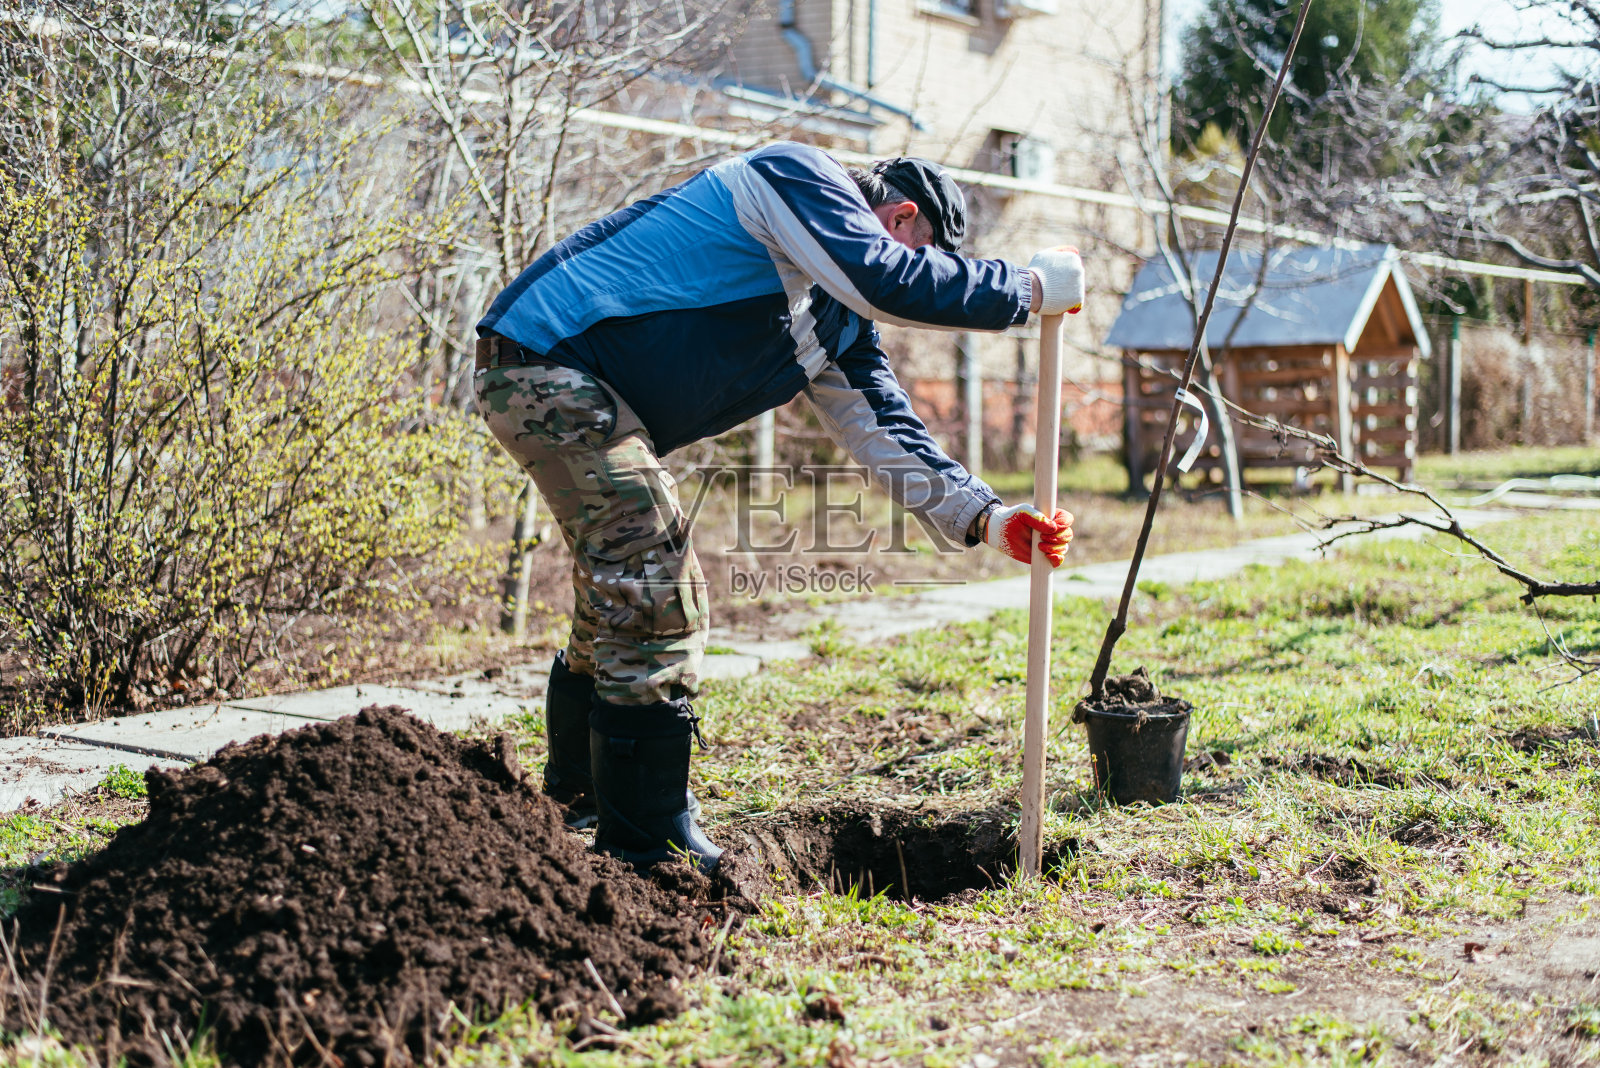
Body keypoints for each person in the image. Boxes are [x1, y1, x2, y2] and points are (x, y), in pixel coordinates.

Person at [474, 142, 1084, 873]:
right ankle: (646, 848)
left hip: (582, 390)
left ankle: (580, 800)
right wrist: (1025, 290)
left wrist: (988, 518)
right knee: (658, 589)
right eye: (920, 253)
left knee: (621, 594)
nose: (914, 275)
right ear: (900, 215)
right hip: (547, 360)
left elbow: (885, 433)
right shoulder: (795, 177)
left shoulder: (837, 322)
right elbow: (889, 278)